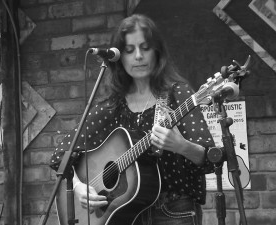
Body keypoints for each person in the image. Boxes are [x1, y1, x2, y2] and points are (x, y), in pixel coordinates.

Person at [50, 14, 215, 225]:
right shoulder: (112, 106)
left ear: (157, 52)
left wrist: (181, 146)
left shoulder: (177, 95)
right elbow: (61, 156)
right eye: (129, 50)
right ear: (119, 58)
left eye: (145, 48)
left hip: (173, 211)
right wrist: (78, 186)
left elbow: (210, 158)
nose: (138, 56)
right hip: (124, 216)